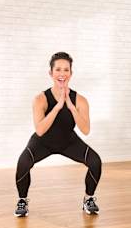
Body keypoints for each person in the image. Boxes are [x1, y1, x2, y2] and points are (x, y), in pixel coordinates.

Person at [14, 52, 102, 217]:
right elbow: (40, 130)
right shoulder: (40, 99)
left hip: (68, 141)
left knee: (95, 162)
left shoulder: (80, 100)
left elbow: (85, 130)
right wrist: (57, 106)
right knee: (23, 163)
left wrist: (70, 105)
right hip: (43, 142)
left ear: (71, 73)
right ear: (51, 73)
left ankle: (88, 199)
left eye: (66, 70)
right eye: (58, 70)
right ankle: (22, 200)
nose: (62, 74)